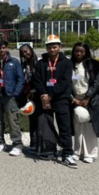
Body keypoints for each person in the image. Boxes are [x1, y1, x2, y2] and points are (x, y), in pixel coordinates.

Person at [33, 35, 76, 166]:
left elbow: (65, 82)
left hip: (61, 99)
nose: (52, 50)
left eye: (54, 47)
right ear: (46, 48)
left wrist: (50, 95)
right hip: (45, 99)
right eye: (49, 47)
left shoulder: (67, 63)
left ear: (60, 47)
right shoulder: (41, 63)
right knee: (47, 126)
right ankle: (49, 149)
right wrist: (44, 95)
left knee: (65, 127)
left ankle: (67, 153)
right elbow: (37, 80)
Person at [69, 42, 99, 163]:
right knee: (78, 127)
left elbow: (97, 83)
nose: (79, 53)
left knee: (90, 128)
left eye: (82, 51)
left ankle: (91, 154)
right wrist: (73, 99)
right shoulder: (69, 65)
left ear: (86, 52)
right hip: (75, 100)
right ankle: (77, 152)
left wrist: (88, 98)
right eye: (76, 51)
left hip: (91, 100)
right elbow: (67, 83)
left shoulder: (93, 65)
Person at [0, 40, 24, 155]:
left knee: (12, 120)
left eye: (3, 48)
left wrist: (15, 93)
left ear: (7, 48)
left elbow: (20, 79)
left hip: (10, 96)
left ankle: (17, 144)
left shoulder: (14, 62)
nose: (1, 50)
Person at [18, 44, 39, 153]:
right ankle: (34, 144)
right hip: (28, 96)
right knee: (32, 120)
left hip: (39, 94)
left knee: (41, 120)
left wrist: (34, 90)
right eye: (23, 53)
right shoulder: (23, 65)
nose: (26, 54)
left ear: (31, 49)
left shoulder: (39, 62)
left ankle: (42, 144)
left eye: (27, 51)